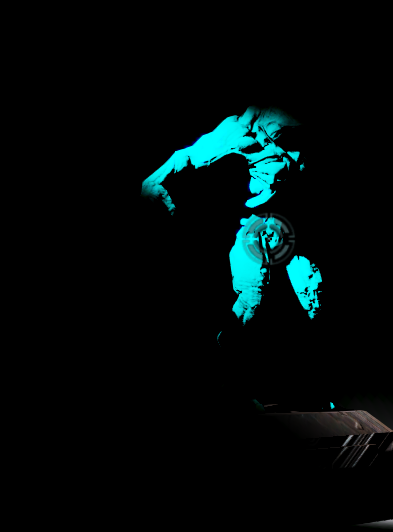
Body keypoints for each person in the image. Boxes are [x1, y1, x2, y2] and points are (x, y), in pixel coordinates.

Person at [139, 105, 330, 414]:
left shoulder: (301, 143)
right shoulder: (241, 132)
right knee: (251, 300)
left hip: (296, 226)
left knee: (313, 302)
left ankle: (310, 387)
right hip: (257, 227)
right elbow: (185, 156)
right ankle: (227, 382)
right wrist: (152, 182)